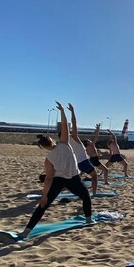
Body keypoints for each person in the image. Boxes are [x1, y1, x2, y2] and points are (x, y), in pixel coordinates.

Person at [20, 102, 93, 239]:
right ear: (52, 140)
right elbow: (65, 126)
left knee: (43, 206)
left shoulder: (48, 159)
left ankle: (26, 232)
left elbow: (48, 179)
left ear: (43, 147)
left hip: (59, 180)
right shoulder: (64, 143)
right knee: (86, 197)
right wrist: (62, 111)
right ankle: (88, 220)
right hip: (74, 179)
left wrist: (44, 196)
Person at [66, 103, 99, 195]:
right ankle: (94, 194)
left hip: (75, 163)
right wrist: (72, 111)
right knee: (95, 177)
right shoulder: (74, 138)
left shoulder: (65, 141)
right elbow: (74, 123)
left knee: (75, 179)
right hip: (83, 161)